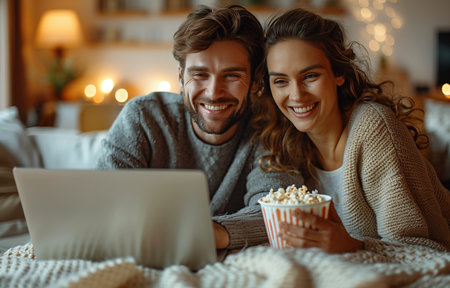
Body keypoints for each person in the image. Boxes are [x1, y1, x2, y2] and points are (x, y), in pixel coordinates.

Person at [97, 5, 303, 250]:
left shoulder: (269, 128)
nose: (214, 93)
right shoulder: (143, 117)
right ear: (181, 78)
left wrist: (204, 233)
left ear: (256, 82)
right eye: (200, 75)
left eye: (231, 76)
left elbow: (276, 212)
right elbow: (104, 205)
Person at [253, 8, 450, 253]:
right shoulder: (285, 139)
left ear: (339, 74)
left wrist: (352, 245)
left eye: (310, 76)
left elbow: (427, 250)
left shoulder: (374, 129)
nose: (296, 95)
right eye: (280, 81)